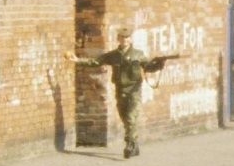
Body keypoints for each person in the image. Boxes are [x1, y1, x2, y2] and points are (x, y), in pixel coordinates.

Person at [66, 28, 167, 158]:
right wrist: (78, 60)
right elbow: (96, 61)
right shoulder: (113, 55)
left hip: (133, 90)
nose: (124, 40)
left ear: (130, 39)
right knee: (124, 117)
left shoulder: (138, 54)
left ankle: (129, 144)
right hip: (120, 90)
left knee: (131, 117)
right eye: (122, 37)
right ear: (118, 39)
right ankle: (135, 144)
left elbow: (148, 67)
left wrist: (159, 64)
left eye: (127, 38)